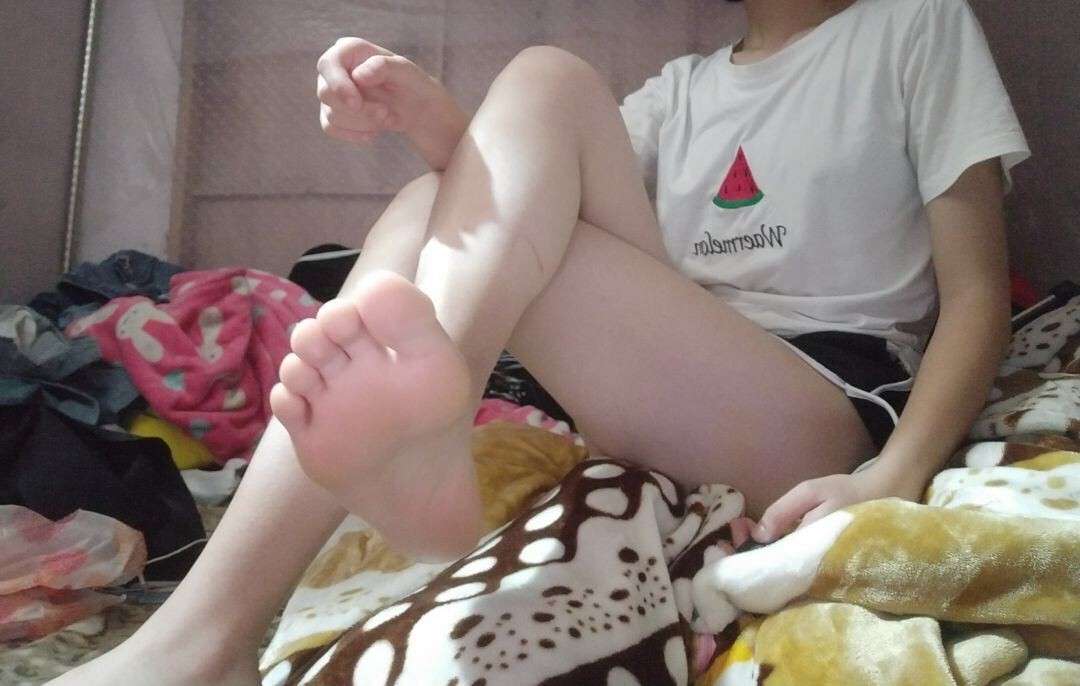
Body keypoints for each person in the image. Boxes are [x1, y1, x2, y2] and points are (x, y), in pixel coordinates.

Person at [49, 0, 1028, 683]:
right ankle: (202, 635)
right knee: (458, 167)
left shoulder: (917, 23)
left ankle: (384, 472)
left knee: (533, 96)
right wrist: (427, 117)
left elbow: (979, 290)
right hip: (667, 386)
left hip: (812, 407)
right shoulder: (682, 89)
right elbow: (518, 192)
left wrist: (893, 473)